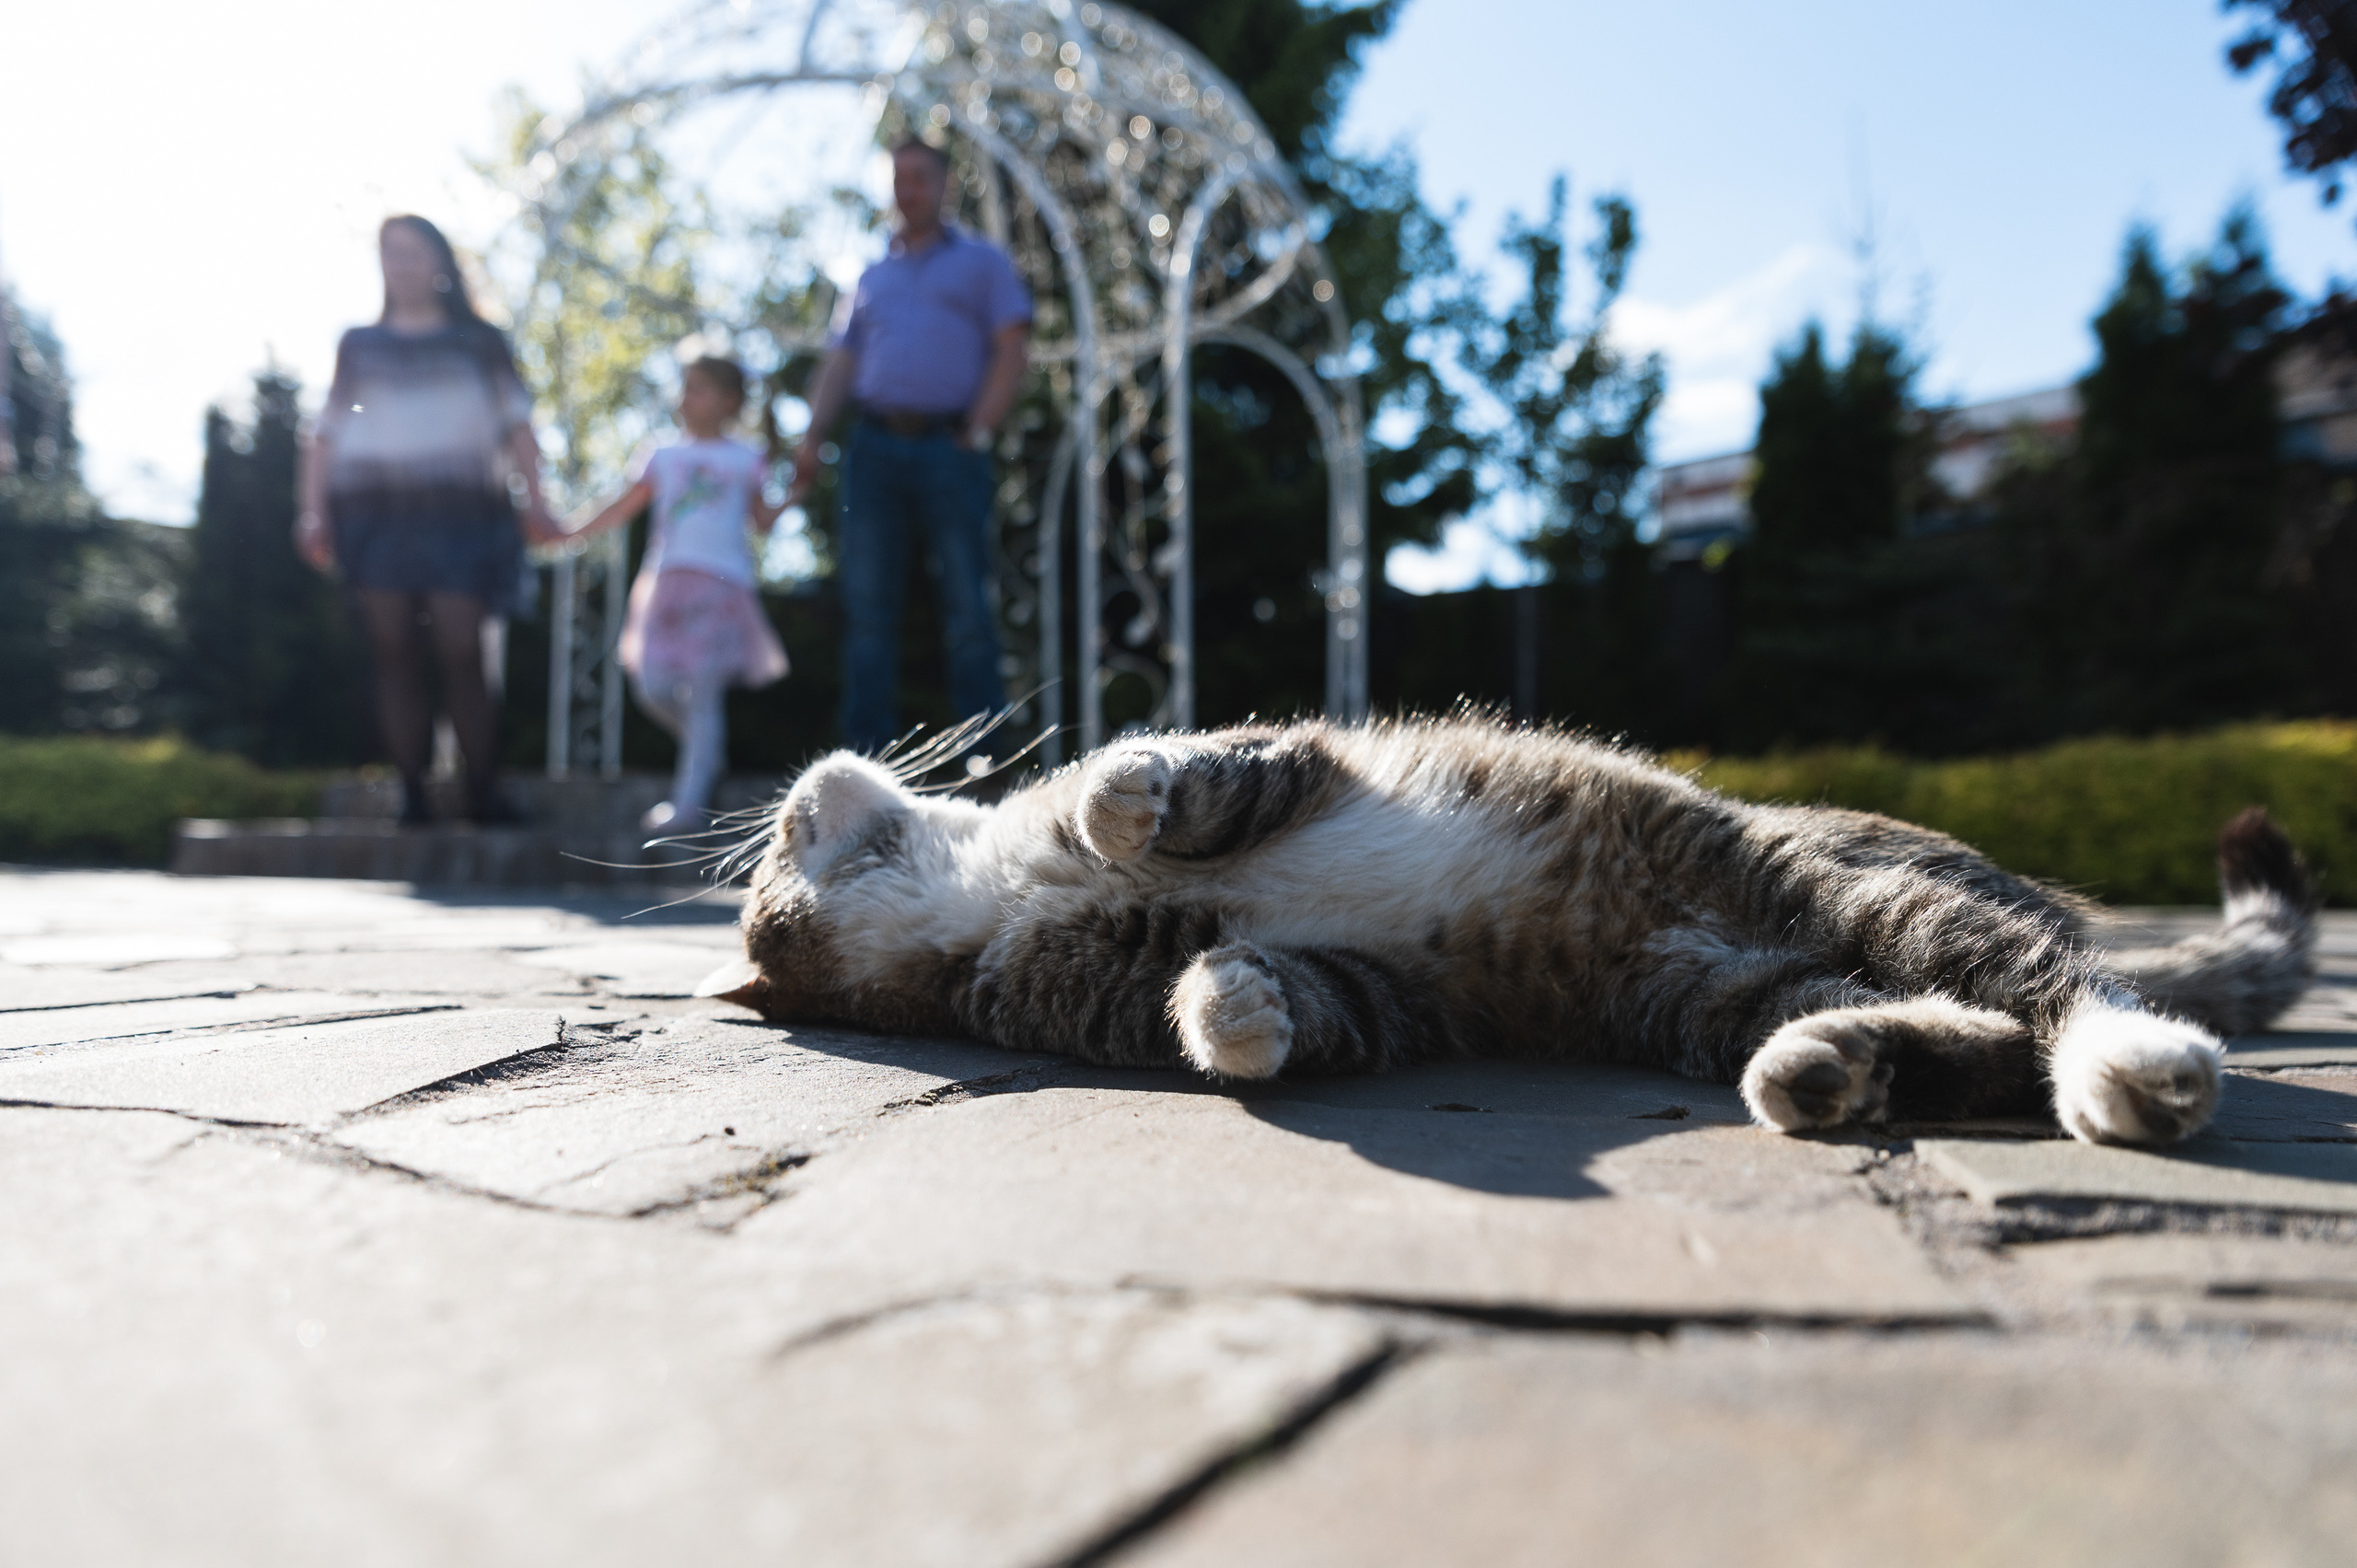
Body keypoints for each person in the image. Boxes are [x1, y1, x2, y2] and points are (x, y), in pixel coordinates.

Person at [296, 215, 557, 826]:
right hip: (376, 515)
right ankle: (411, 791)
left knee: (462, 646)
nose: (401, 264)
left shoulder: (482, 343)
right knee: (395, 653)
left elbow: (517, 424)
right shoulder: (358, 345)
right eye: (389, 253)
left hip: (465, 514)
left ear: (440, 262)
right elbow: (328, 431)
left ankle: (482, 789)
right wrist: (313, 511)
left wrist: (537, 501)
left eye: (412, 252)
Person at [789, 138, 1032, 753]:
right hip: (872, 450)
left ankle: (986, 755)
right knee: (868, 610)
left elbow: (1012, 347)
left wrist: (977, 429)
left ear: (945, 184)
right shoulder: (870, 273)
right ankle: (866, 757)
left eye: (919, 177)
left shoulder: (982, 262)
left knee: (966, 607)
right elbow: (841, 361)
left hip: (949, 448)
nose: (907, 190)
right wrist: (812, 437)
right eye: (898, 178)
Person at [565, 355, 790, 833]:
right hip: (666, 584)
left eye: (698, 388)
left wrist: (799, 487)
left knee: (704, 693)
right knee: (652, 687)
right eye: (684, 387)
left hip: (722, 586)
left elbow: (764, 520)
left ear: (730, 401)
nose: (685, 398)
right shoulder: (661, 454)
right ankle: (707, 752)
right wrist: (568, 532)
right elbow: (622, 505)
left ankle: (688, 803)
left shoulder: (745, 457)